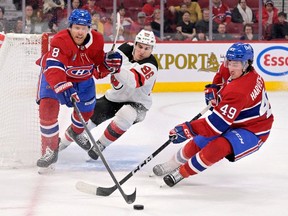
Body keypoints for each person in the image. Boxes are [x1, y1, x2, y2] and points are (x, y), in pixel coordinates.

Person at [152, 42, 274, 187]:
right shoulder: (230, 67)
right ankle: (172, 163)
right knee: (200, 140)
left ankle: (182, 172)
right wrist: (215, 88)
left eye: (236, 64)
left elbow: (216, 125)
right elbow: (220, 76)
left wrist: (188, 129)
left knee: (219, 146)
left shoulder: (240, 90)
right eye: (229, 62)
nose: (231, 67)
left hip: (254, 129)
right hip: (235, 118)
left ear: (247, 64)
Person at [35, 9, 122, 170]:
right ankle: (50, 149)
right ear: (70, 27)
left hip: (82, 79)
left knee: (87, 111)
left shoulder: (97, 40)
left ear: (89, 28)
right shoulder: (60, 40)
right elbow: (54, 67)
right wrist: (62, 86)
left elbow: (98, 67)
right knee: (47, 109)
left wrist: (109, 65)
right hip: (54, 77)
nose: (80, 31)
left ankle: (76, 131)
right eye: (76, 27)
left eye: (83, 28)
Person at [59, 29, 158, 161]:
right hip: (114, 97)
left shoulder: (151, 65)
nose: (142, 51)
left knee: (126, 114)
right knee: (85, 121)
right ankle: (59, 145)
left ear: (152, 49)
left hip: (138, 104)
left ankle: (100, 145)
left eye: (147, 48)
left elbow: (132, 81)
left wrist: (116, 68)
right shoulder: (123, 49)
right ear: (134, 44)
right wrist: (104, 65)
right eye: (140, 46)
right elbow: (106, 64)